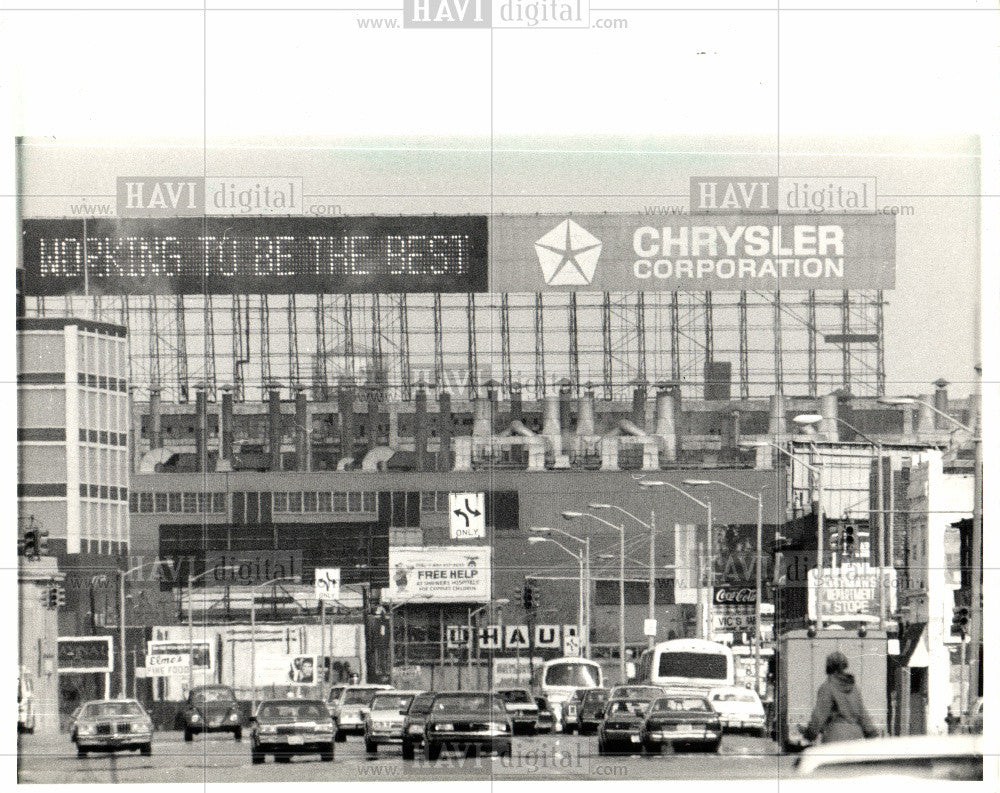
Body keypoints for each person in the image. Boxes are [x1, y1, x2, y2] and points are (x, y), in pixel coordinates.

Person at [802, 651, 879, 744]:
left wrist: (810, 734)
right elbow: (863, 714)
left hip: (835, 737)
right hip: (856, 738)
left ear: (828, 667)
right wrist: (872, 733)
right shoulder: (854, 688)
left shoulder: (827, 687)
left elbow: (820, 714)